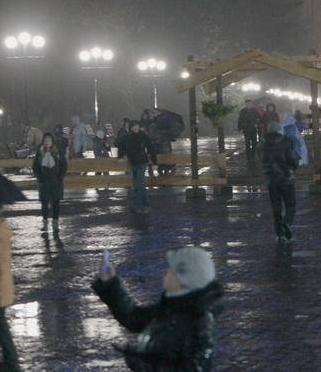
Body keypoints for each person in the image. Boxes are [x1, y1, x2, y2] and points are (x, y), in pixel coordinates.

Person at [92, 246, 223, 371]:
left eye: (171, 271)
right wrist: (111, 283)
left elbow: (194, 368)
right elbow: (133, 316)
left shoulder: (200, 320)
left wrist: (143, 364)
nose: (166, 273)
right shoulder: (172, 307)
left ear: (185, 279)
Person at [259, 122, 299, 244]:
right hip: (285, 178)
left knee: (276, 207)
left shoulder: (262, 144)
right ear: (279, 130)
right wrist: (294, 166)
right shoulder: (285, 142)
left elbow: (260, 159)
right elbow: (292, 160)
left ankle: (279, 234)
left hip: (271, 180)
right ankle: (286, 223)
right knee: (290, 205)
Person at [118, 121, 157, 213]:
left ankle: (139, 205)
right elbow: (121, 146)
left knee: (139, 183)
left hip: (142, 161)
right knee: (138, 184)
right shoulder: (127, 137)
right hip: (133, 162)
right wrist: (121, 155)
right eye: (134, 126)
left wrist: (154, 160)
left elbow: (150, 147)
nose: (136, 128)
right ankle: (145, 204)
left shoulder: (143, 136)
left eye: (137, 126)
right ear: (131, 128)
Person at [32, 133, 67, 233]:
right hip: (44, 182)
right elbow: (35, 167)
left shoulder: (57, 152)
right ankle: (45, 223)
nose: (47, 142)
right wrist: (40, 178)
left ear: (52, 142)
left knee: (56, 203)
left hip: (55, 181)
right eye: (45, 140)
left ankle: (55, 223)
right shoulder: (40, 152)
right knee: (44, 203)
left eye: (49, 140)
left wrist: (60, 177)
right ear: (43, 142)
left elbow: (64, 165)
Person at [0, 206, 19, 370]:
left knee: (1, 326)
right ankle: (10, 360)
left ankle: (11, 361)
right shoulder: (1, 227)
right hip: (2, 287)